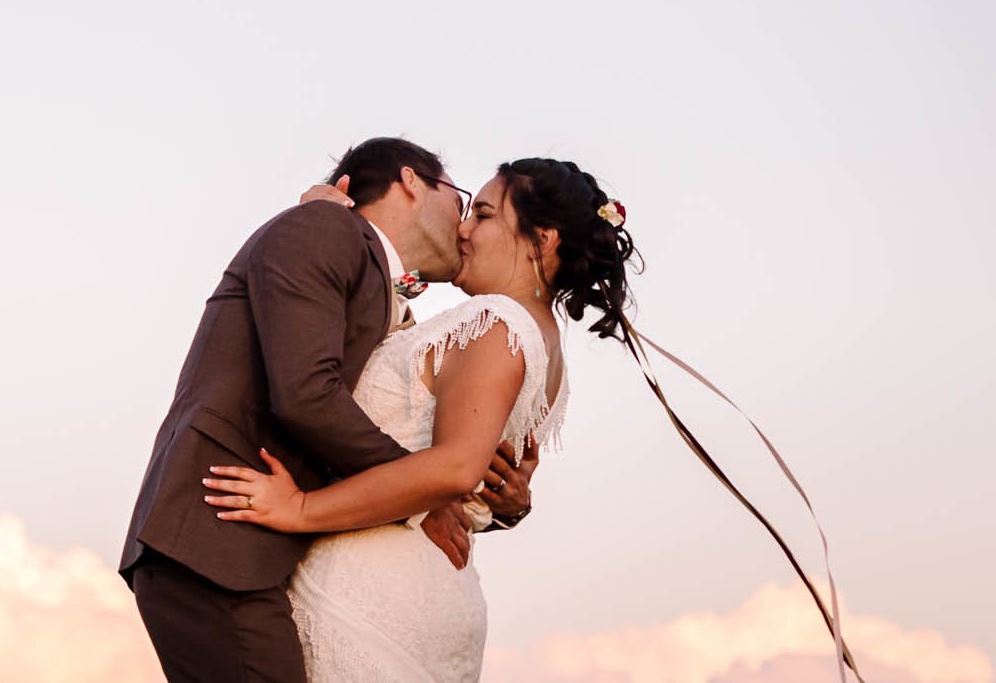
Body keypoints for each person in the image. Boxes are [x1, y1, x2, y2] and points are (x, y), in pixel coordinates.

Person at [201, 157, 637, 681]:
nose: (464, 228)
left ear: (541, 240)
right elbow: (476, 490)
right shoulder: (545, 352)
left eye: (483, 214)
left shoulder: (495, 323)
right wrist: (507, 507)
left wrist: (299, 508)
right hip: (434, 589)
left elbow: (453, 470)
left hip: (372, 588)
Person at [119, 138, 535, 683]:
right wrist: (426, 497)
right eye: (460, 201)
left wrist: (492, 498)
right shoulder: (322, 228)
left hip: (266, 557)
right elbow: (307, 394)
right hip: (217, 532)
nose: (463, 227)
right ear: (410, 181)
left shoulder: (395, 301)